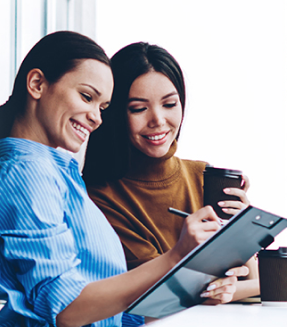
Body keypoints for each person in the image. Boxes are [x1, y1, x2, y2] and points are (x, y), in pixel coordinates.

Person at [0, 32, 247, 327]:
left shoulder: (55, 170)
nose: (96, 118)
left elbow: (105, 309)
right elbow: (66, 310)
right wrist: (177, 256)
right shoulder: (29, 173)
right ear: (37, 84)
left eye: (102, 107)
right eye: (87, 97)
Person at [83, 41, 259, 299]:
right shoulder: (100, 196)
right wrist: (228, 288)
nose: (158, 120)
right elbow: (160, 294)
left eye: (169, 104)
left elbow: (260, 285)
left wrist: (243, 232)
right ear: (115, 113)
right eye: (138, 109)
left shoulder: (203, 175)